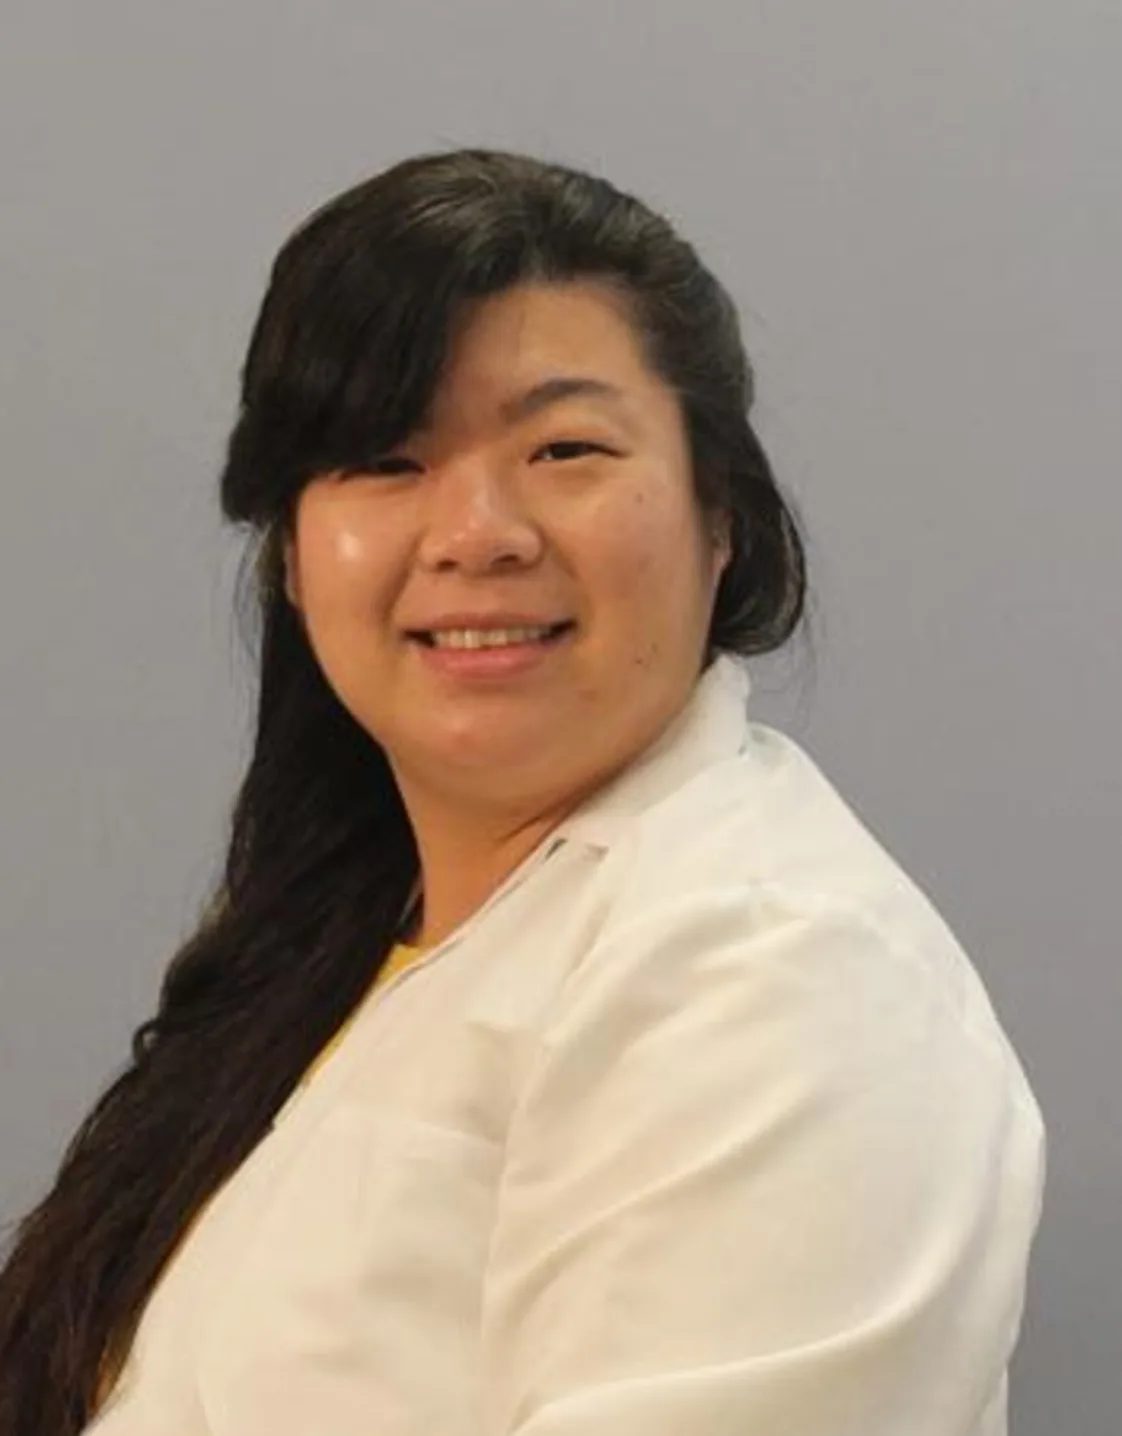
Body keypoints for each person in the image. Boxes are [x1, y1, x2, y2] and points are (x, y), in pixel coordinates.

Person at [0, 147, 1044, 1435]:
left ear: (723, 520)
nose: (478, 530)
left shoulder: (773, 972)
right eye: (386, 461)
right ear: (291, 555)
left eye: (564, 447)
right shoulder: (346, 953)